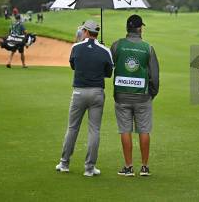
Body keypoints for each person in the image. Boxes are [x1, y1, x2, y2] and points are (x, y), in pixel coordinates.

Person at [56, 20, 113, 177]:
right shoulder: (105, 50)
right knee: (94, 130)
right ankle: (89, 168)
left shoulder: (76, 47)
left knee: (72, 128)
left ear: (86, 32)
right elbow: (108, 73)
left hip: (79, 92)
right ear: (97, 33)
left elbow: (73, 65)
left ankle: (64, 163)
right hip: (97, 93)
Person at [111, 14, 160, 177]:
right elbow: (155, 76)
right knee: (144, 130)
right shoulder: (148, 47)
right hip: (142, 96)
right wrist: (152, 93)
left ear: (127, 28)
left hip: (121, 95)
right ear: (139, 29)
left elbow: (107, 67)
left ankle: (128, 167)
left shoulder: (117, 45)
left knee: (125, 130)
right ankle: (144, 167)